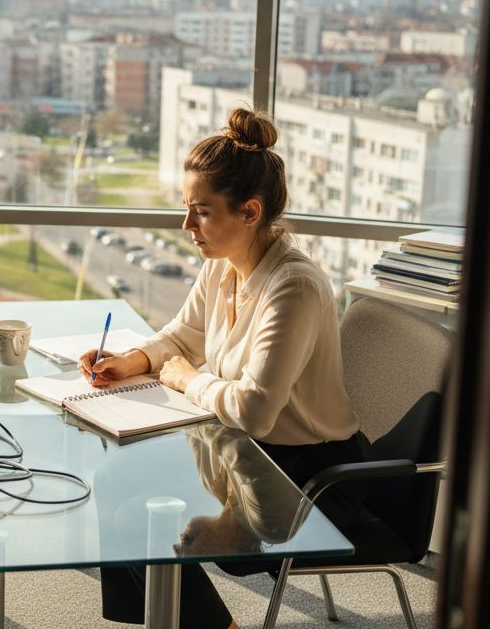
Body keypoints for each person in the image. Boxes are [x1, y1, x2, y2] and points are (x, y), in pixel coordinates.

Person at [79, 107, 364, 629]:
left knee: (141, 515)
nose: (187, 226)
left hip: (305, 475)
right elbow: (182, 336)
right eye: (187, 209)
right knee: (114, 477)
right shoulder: (222, 266)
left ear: (250, 212)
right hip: (238, 451)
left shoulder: (294, 287)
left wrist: (189, 379)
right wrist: (132, 361)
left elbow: (255, 410)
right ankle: (164, 620)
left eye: (202, 212)